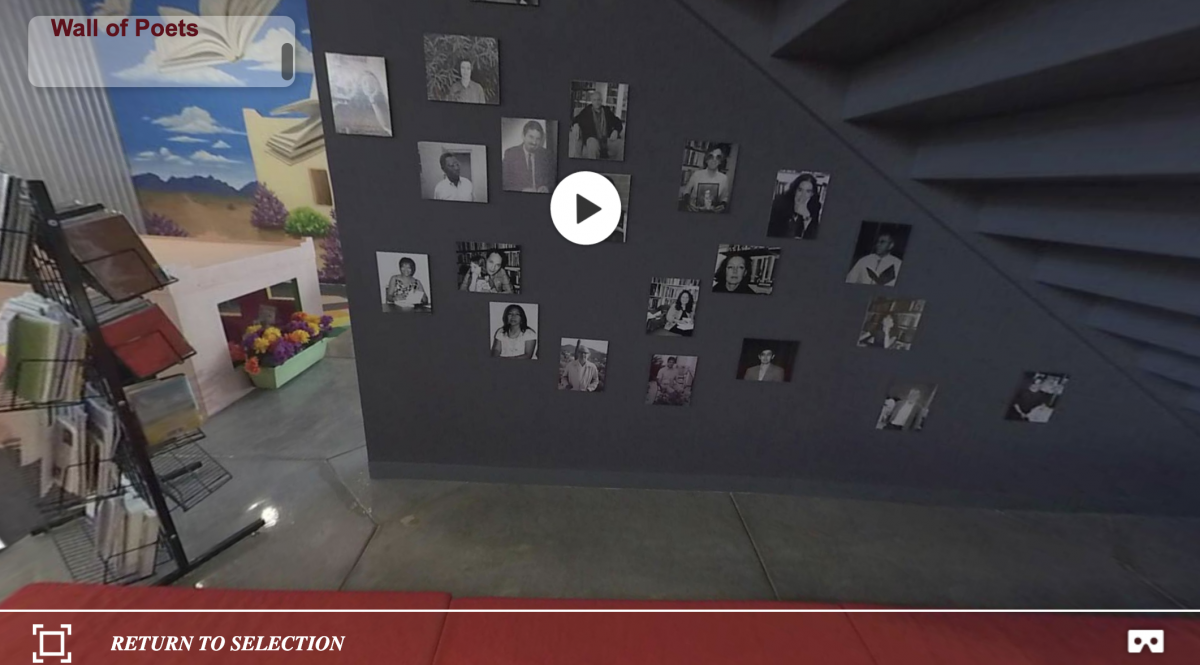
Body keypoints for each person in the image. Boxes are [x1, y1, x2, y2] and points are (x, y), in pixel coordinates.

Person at [503, 120, 554, 193]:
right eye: (531, 137)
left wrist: (546, 187)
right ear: (523, 136)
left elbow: (553, 179)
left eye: (538, 139)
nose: (534, 142)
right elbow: (504, 183)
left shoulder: (546, 155)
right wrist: (522, 190)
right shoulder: (510, 154)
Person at [572, 89, 623, 159]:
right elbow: (576, 119)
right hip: (592, 138)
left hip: (606, 139)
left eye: (598, 100)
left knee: (621, 144)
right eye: (594, 100)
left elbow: (618, 122)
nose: (597, 102)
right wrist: (575, 124)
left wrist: (616, 131)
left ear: (601, 101)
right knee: (592, 144)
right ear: (592, 101)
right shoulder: (587, 111)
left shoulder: (606, 111)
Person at [767, 173, 821, 239]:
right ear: (794, 190)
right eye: (800, 190)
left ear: (812, 194)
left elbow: (814, 237)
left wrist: (806, 217)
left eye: (808, 191)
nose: (803, 196)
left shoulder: (815, 207)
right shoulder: (780, 203)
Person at [335, 71, 390, 135]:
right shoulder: (355, 101)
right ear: (360, 86)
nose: (369, 86)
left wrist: (372, 99)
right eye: (365, 83)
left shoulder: (381, 99)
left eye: (371, 82)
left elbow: (385, 125)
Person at [680, 147, 731, 212]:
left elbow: (725, 197)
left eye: (718, 157)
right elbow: (686, 191)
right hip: (694, 211)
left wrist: (723, 204)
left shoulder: (724, 178)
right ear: (706, 160)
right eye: (711, 156)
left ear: (720, 161)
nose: (714, 160)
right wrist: (688, 202)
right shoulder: (696, 174)